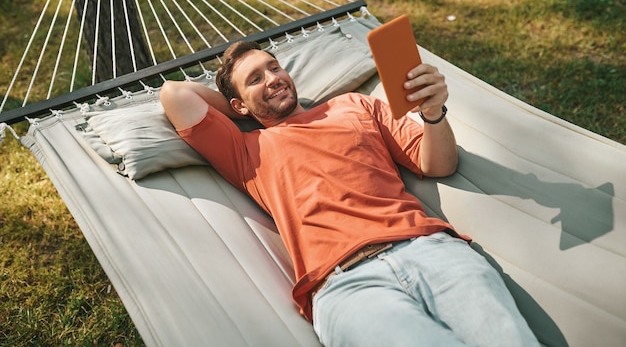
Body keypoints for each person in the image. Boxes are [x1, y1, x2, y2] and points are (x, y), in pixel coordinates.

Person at [160, 41, 539, 347]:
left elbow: (437, 164)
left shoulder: (352, 105)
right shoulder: (246, 151)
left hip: (429, 248)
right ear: (237, 106)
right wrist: (242, 108)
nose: (274, 78)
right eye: (256, 78)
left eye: (275, 67)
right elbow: (174, 94)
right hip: (345, 285)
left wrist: (434, 112)